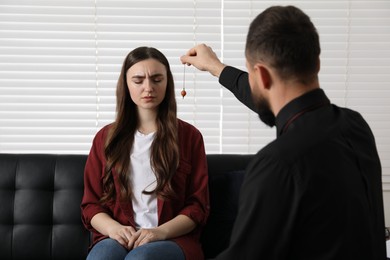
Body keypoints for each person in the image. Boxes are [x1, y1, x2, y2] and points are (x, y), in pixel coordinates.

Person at [180, 5, 386, 260]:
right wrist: (218, 68)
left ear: (262, 76)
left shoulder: (278, 163)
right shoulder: (356, 127)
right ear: (317, 63)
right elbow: (279, 101)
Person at [81, 46, 209, 260]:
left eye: (157, 79)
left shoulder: (190, 137)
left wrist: (158, 232)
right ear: (126, 85)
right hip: (117, 237)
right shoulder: (105, 138)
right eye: (138, 80)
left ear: (167, 83)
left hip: (172, 239)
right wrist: (114, 229)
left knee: (140, 258)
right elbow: (91, 205)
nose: (148, 87)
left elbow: (197, 208)